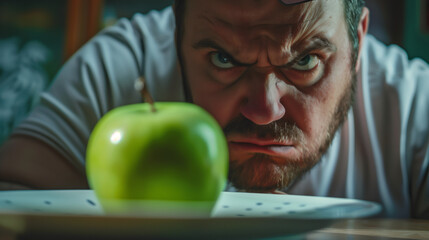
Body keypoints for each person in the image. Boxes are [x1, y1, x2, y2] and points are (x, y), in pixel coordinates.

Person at [0, 0, 427, 218]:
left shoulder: (413, 106)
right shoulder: (119, 70)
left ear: (357, 46)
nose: (263, 110)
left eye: (303, 62)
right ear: (176, 39)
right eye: (224, 59)